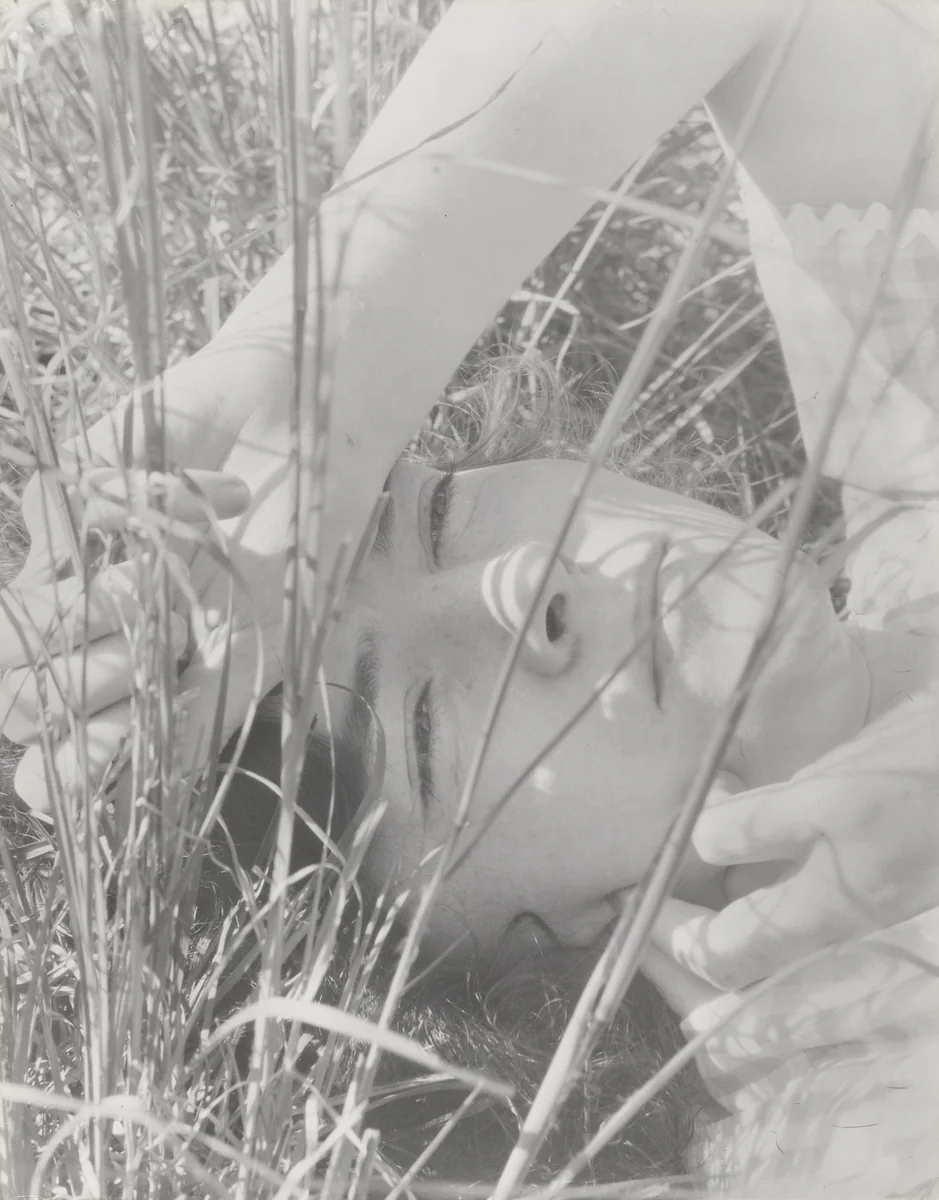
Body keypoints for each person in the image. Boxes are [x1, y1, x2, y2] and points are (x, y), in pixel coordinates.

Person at [2, 0, 937, 1191]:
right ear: (525, 988)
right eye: (430, 731)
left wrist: (318, 369)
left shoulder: (912, 460)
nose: (523, 585)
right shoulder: (845, 1121)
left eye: (440, 513)